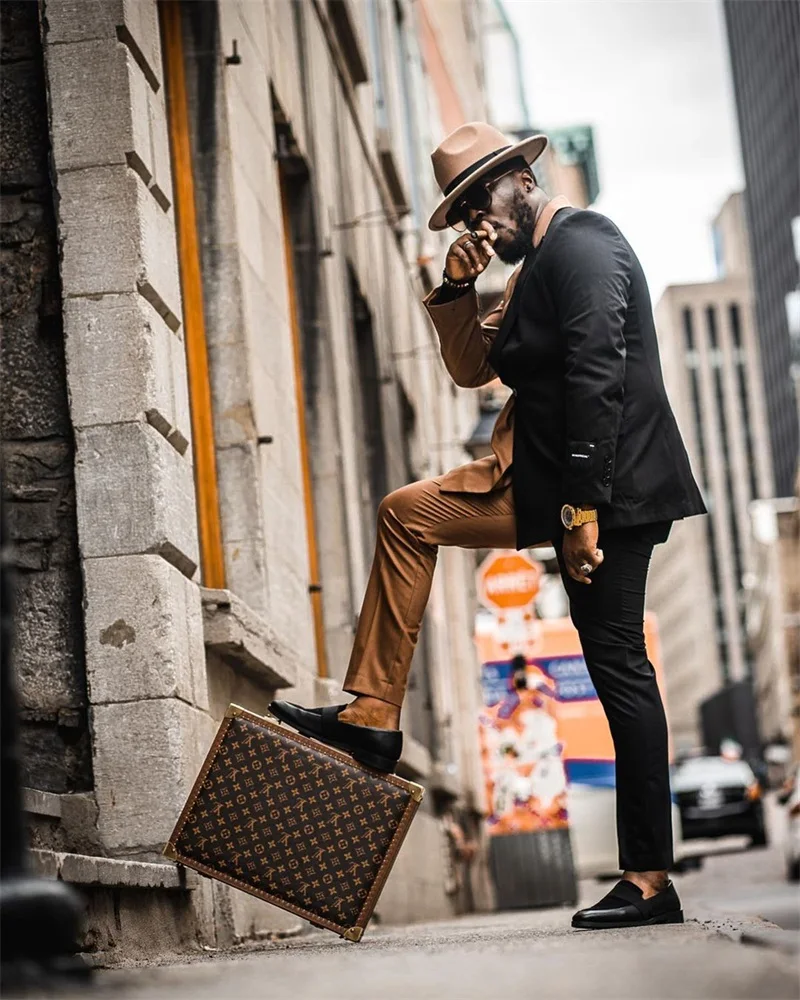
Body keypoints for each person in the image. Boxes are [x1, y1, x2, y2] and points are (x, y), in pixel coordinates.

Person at [271, 122, 707, 929]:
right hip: (544, 485)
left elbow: (599, 378)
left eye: (481, 200)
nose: (477, 218)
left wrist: (582, 512)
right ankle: (371, 718)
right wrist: (455, 289)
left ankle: (649, 878)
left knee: (618, 671)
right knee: (407, 514)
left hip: (611, 495)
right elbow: (474, 368)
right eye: (463, 208)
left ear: (519, 180)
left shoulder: (583, 246)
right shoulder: (530, 269)